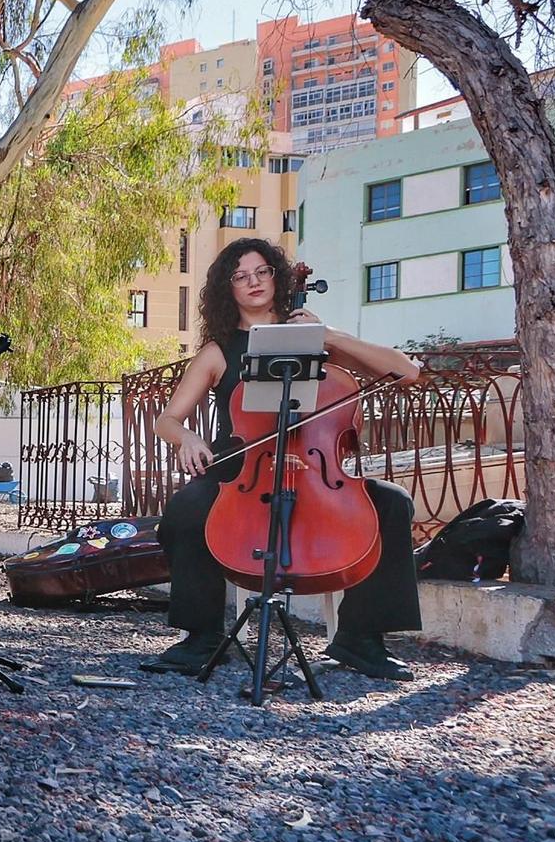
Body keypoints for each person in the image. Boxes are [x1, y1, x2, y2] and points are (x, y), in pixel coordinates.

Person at [144, 237, 424, 680]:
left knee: (391, 502)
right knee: (186, 510)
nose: (252, 282)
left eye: (261, 271)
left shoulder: (319, 342)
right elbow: (167, 419)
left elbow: (407, 371)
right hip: (242, 468)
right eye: (240, 276)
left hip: (314, 469)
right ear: (227, 288)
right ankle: (201, 637)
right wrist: (187, 438)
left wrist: (329, 335)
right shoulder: (218, 351)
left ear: (277, 276)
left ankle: (360, 638)